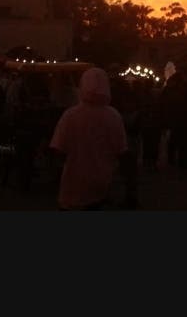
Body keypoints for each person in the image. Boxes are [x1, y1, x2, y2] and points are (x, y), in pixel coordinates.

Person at [49, 67, 128, 210]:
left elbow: (58, 150)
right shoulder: (114, 116)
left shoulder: (70, 115)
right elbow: (122, 152)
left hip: (74, 184)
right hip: (103, 183)